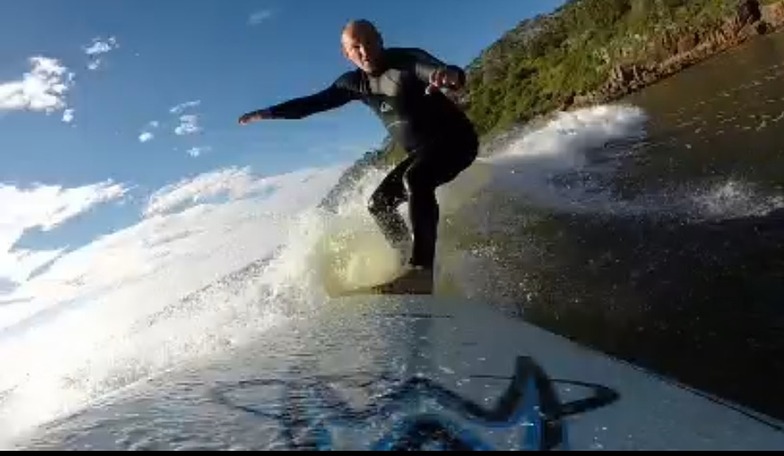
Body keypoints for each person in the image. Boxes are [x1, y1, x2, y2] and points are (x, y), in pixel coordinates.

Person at [238, 19, 479, 294]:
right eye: (356, 47)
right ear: (347, 54)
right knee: (379, 203)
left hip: (457, 141)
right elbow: (313, 104)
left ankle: (421, 272)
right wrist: (266, 113)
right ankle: (406, 261)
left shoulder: (405, 60)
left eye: (368, 42)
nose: (364, 51)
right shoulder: (354, 84)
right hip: (424, 152)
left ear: (380, 39)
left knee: (417, 178)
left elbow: (435, 68)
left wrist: (449, 75)